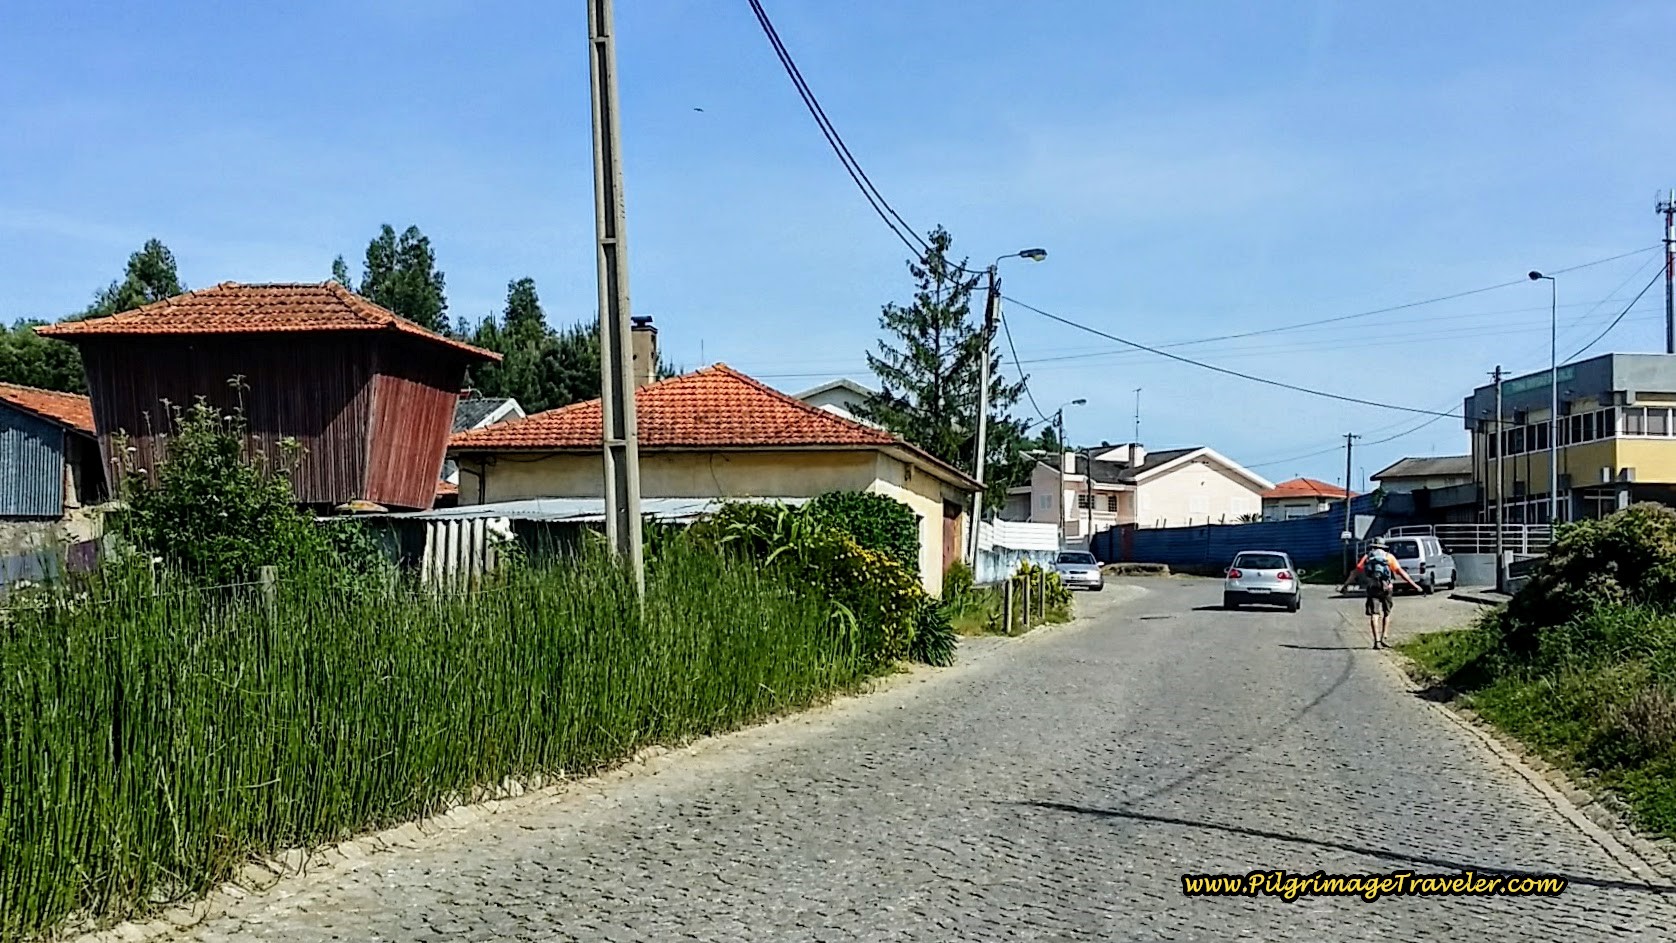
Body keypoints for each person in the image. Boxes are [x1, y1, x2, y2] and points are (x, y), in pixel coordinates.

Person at [1339, 537, 1422, 649]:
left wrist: (1345, 586)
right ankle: (1384, 637)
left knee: (1374, 614)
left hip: (1372, 587)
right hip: (1387, 587)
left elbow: (1355, 572)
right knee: (1386, 613)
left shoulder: (1367, 557)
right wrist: (1415, 585)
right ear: (1383, 547)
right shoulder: (1389, 557)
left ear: (1373, 546)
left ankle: (1376, 641)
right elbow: (1400, 572)